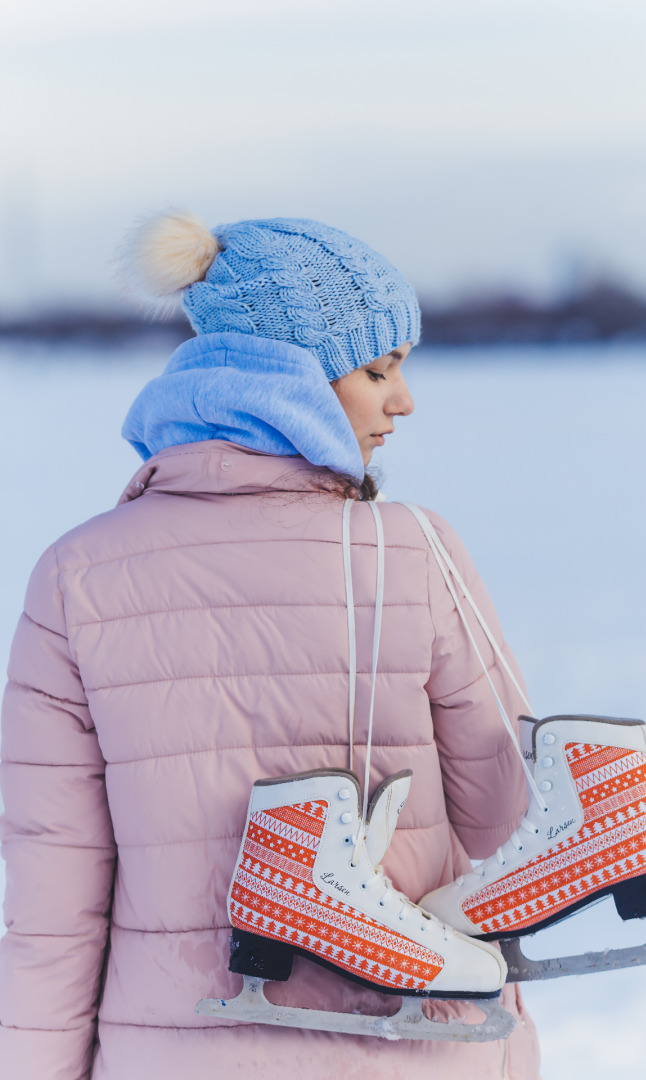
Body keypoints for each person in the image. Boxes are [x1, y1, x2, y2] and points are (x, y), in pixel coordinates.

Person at [0, 213, 541, 1078]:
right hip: (415, 1049)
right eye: (378, 370)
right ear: (290, 380)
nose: (403, 402)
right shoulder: (409, 550)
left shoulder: (73, 576)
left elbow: (52, 901)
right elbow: (510, 817)